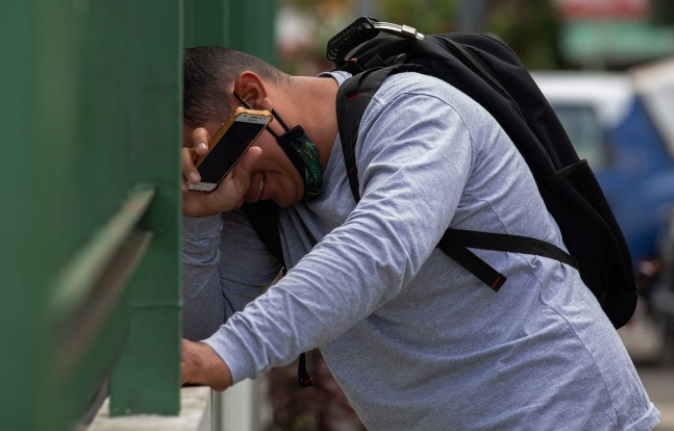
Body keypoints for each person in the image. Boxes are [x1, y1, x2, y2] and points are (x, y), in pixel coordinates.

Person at [179, 46, 660, 430]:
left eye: (218, 158)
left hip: (563, 411)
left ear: (250, 96)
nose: (221, 180)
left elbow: (381, 248)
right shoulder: (257, 195)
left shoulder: (414, 111)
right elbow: (200, 338)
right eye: (203, 172)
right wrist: (200, 216)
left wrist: (230, 353)